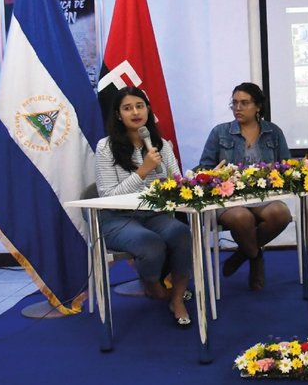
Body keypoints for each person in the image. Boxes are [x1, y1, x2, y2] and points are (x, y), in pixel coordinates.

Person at [95, 87, 192, 328]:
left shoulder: (161, 145)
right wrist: (143, 171)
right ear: (118, 115)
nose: (135, 112)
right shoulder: (106, 147)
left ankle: (177, 298)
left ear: (148, 109)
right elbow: (107, 195)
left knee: (181, 233)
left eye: (140, 106)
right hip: (116, 218)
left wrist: (176, 184)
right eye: (127, 108)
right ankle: (154, 287)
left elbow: (176, 181)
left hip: (152, 213)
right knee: (150, 243)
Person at [198, 82, 292, 291]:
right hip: (228, 198)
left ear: (258, 106)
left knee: (281, 214)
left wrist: (277, 171)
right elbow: (203, 169)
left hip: (263, 196)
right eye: (234, 103)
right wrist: (216, 173)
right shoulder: (220, 133)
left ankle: (244, 252)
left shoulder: (273, 132)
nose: (238, 108)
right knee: (242, 218)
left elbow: (287, 166)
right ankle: (256, 256)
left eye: (244, 103)